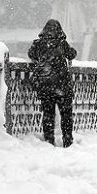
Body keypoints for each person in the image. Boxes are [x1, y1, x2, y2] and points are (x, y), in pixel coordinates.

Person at [28, 19, 77, 147]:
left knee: (48, 115)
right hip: (62, 86)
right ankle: (68, 140)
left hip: (46, 86)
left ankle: (49, 141)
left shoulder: (38, 44)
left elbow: (31, 54)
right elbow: (72, 54)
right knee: (66, 115)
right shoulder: (61, 43)